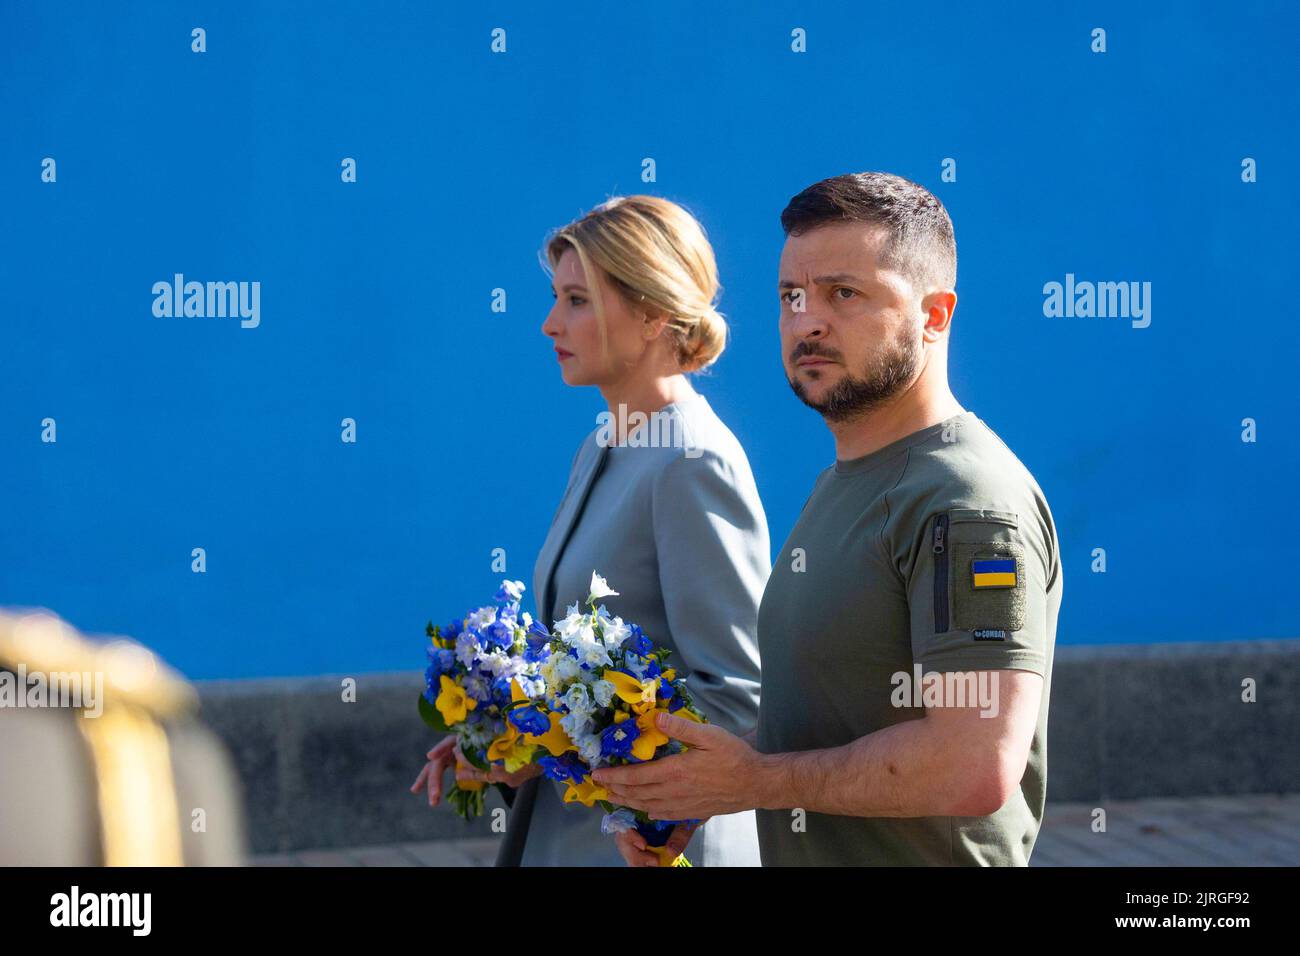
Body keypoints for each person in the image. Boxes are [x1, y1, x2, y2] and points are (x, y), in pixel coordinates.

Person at [597, 172, 1063, 866]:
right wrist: (704, 782)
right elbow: (835, 715)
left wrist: (754, 780)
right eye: (792, 296)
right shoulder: (849, 479)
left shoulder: (966, 501)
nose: (807, 320)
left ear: (935, 316)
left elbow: (974, 763)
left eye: (844, 293)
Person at [410, 195, 770, 866]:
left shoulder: (694, 460)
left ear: (653, 311)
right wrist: (505, 737)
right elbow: (578, 662)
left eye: (577, 300)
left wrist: (564, 745)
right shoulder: (604, 443)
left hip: (653, 849)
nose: (550, 324)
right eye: (557, 298)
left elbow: (737, 699)